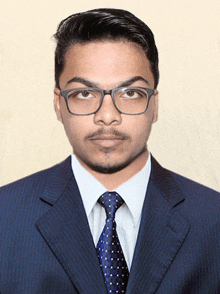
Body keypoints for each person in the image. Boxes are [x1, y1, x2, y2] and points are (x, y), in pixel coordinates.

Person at [1, 8, 220, 294]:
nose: (107, 116)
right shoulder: (5, 216)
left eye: (130, 93)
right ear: (58, 103)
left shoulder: (213, 219)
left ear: (154, 105)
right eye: (83, 93)